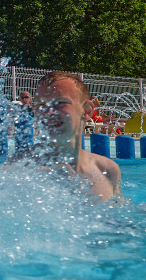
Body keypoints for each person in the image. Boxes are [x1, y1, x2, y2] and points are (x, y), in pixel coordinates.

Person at [10, 71, 122, 202]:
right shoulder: (24, 166)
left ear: (87, 111)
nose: (49, 111)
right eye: (41, 105)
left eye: (59, 102)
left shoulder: (107, 169)